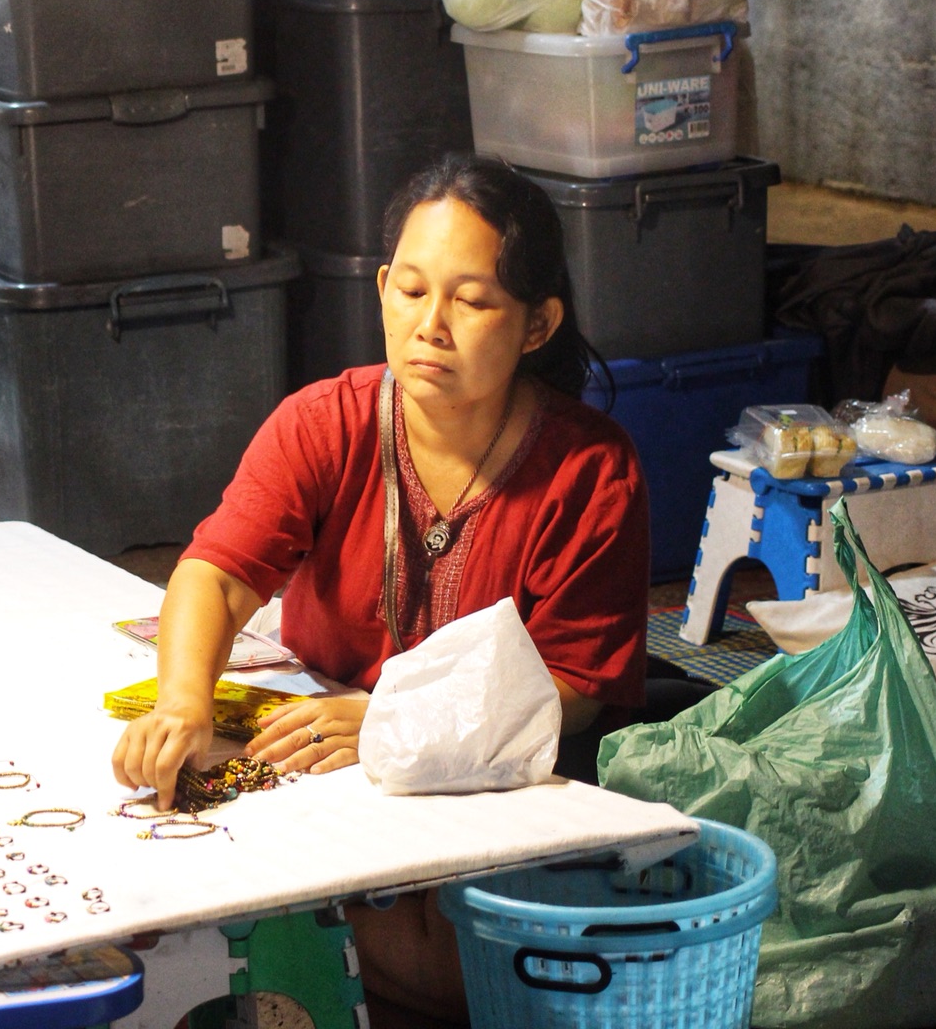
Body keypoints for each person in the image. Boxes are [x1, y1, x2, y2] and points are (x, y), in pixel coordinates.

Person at [111, 155, 652, 1026]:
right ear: (380, 288)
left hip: (491, 790)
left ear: (537, 322)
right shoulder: (322, 422)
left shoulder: (589, 470)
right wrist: (183, 700)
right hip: (326, 773)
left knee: (445, 965)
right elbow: (214, 573)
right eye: (409, 290)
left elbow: (576, 692)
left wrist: (397, 725)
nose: (429, 326)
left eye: (472, 302)